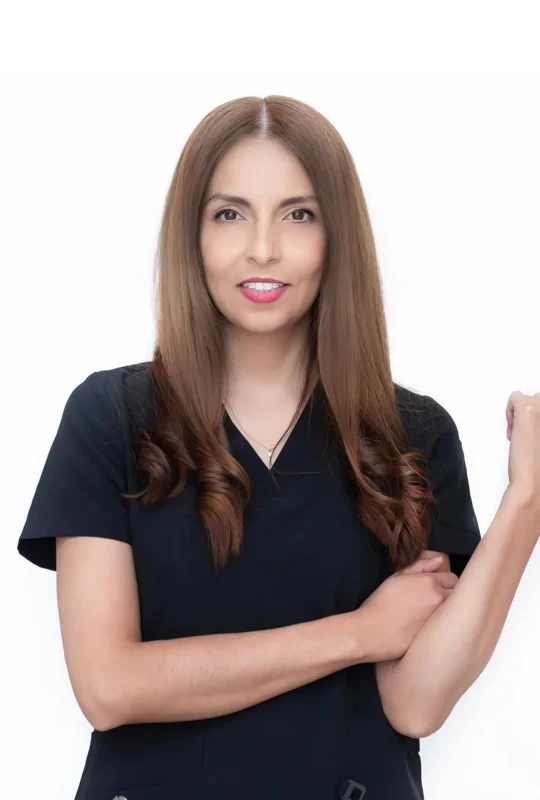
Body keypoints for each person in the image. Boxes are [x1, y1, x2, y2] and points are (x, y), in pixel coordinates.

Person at [17, 95, 540, 800]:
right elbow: (108, 686)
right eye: (229, 214)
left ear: (337, 238)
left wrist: (526, 501)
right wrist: (359, 633)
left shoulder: (412, 433)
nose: (262, 247)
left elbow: (415, 705)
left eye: (299, 215)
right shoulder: (112, 417)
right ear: (192, 236)